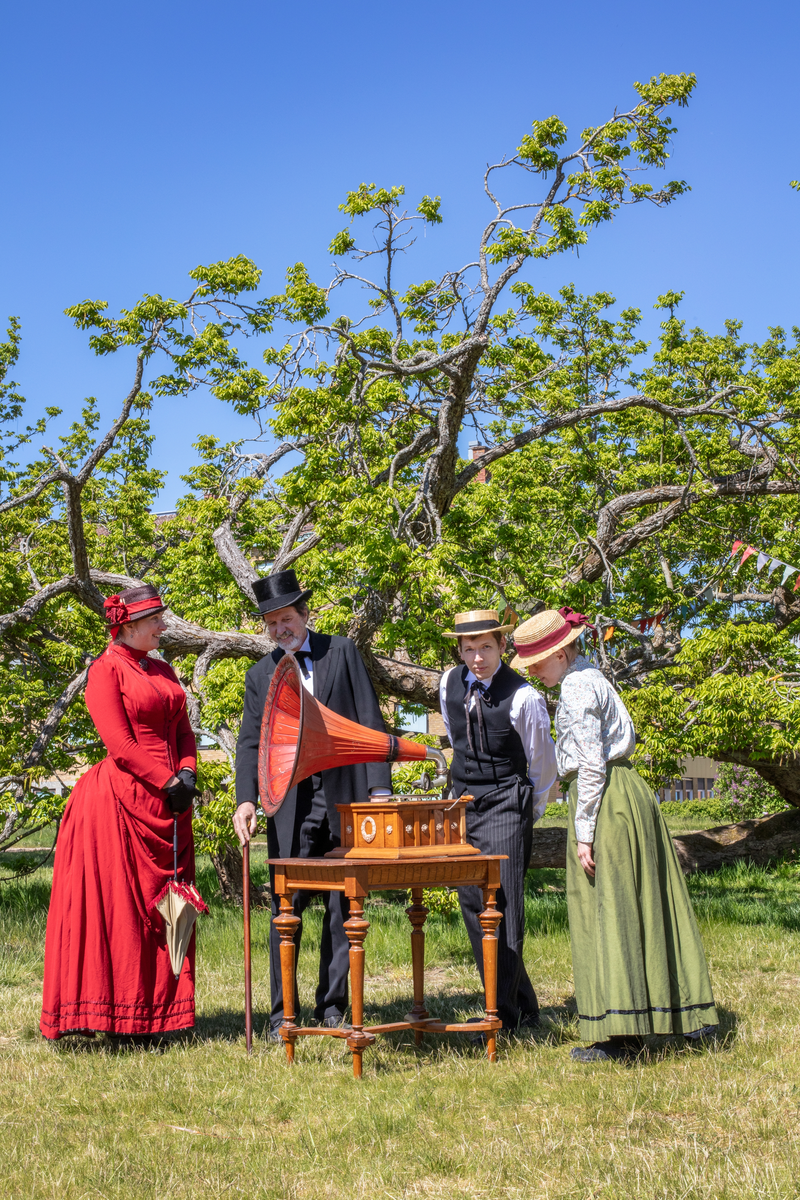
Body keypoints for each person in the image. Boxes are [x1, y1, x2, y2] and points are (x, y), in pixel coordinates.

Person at [511, 606, 718, 1062]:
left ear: (561, 652)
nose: (534, 672)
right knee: (646, 903)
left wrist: (584, 831)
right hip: (626, 793)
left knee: (610, 908)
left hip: (608, 800)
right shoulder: (589, 675)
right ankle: (676, 1016)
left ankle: (622, 1036)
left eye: (537, 662)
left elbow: (589, 764)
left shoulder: (577, 686)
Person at [233, 569, 391, 1040]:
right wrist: (246, 800)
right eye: (271, 622)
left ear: (305, 614)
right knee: (288, 907)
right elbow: (249, 744)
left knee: (344, 908)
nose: (280, 628)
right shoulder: (259, 674)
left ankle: (334, 1006)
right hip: (290, 805)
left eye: (286, 618)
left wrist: (379, 791)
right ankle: (282, 1011)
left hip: (347, 798)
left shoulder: (341, 651)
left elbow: (370, 719)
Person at [40, 585, 199, 1041]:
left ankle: (161, 1015)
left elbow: (184, 731)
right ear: (127, 626)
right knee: (124, 914)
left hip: (171, 805)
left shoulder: (163, 668)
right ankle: (118, 1015)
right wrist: (167, 780)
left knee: (170, 911)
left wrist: (186, 774)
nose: (163, 625)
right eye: (154, 620)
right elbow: (120, 745)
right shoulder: (105, 670)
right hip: (120, 803)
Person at [439, 609, 557, 1032]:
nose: (476, 658)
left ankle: (502, 1016)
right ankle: (519, 1002)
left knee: (503, 905)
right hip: (464, 805)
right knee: (472, 902)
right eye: (468, 649)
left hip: (507, 800)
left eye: (485, 647)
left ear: (503, 647)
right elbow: (457, 741)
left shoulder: (525, 696)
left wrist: (529, 809)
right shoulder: (447, 684)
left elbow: (543, 763)